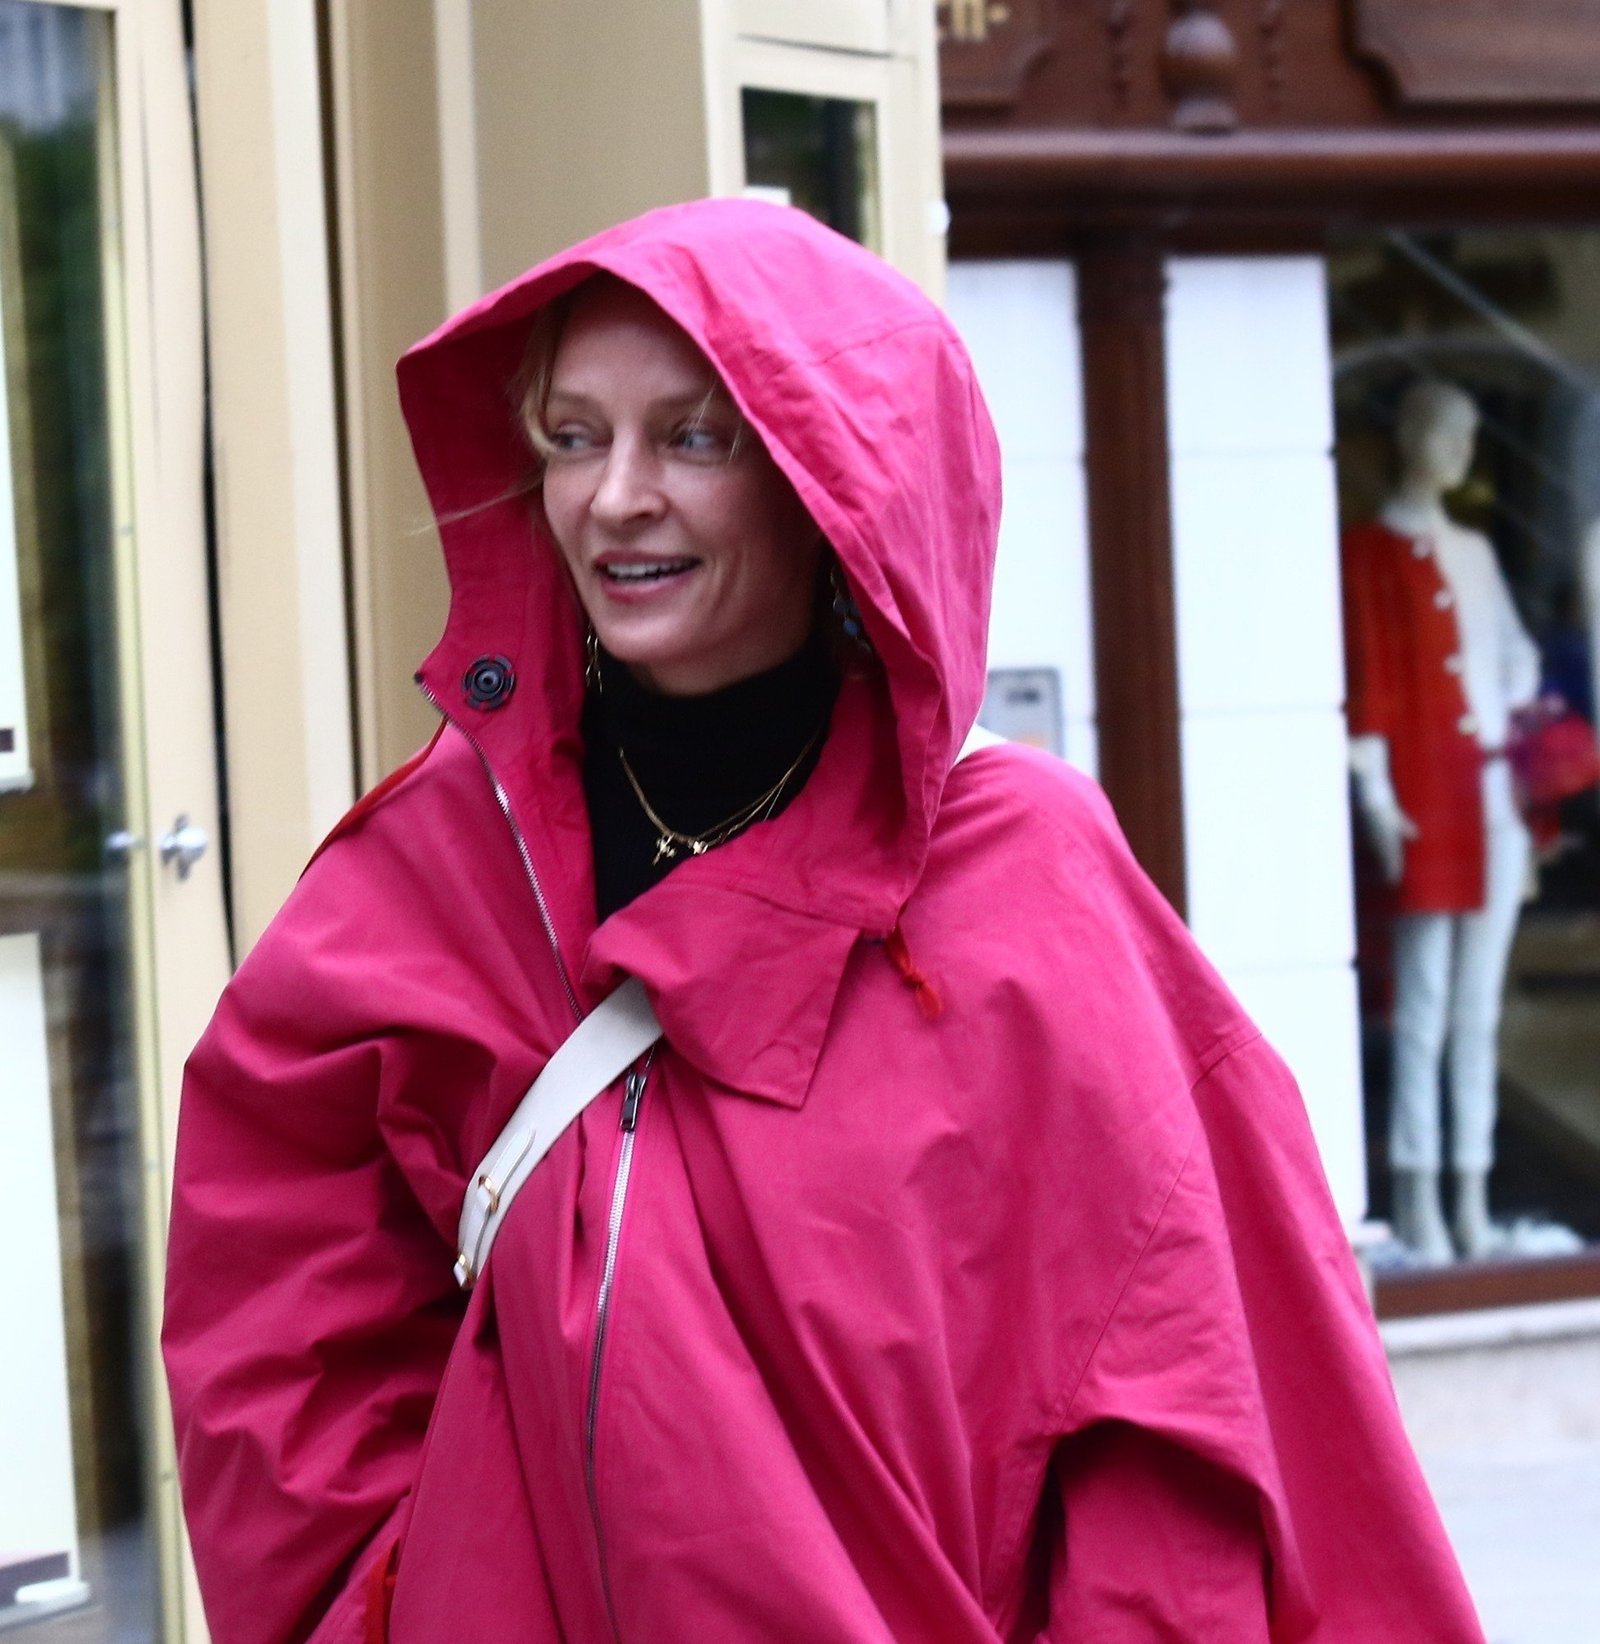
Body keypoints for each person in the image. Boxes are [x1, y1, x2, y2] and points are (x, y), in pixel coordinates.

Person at [163, 200, 1484, 1644]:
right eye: (573, 436)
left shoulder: (1029, 881)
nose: (615, 498)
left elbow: (1178, 1402)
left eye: (693, 438)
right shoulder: (439, 867)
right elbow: (280, 1334)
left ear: (828, 482)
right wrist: (420, 1603)